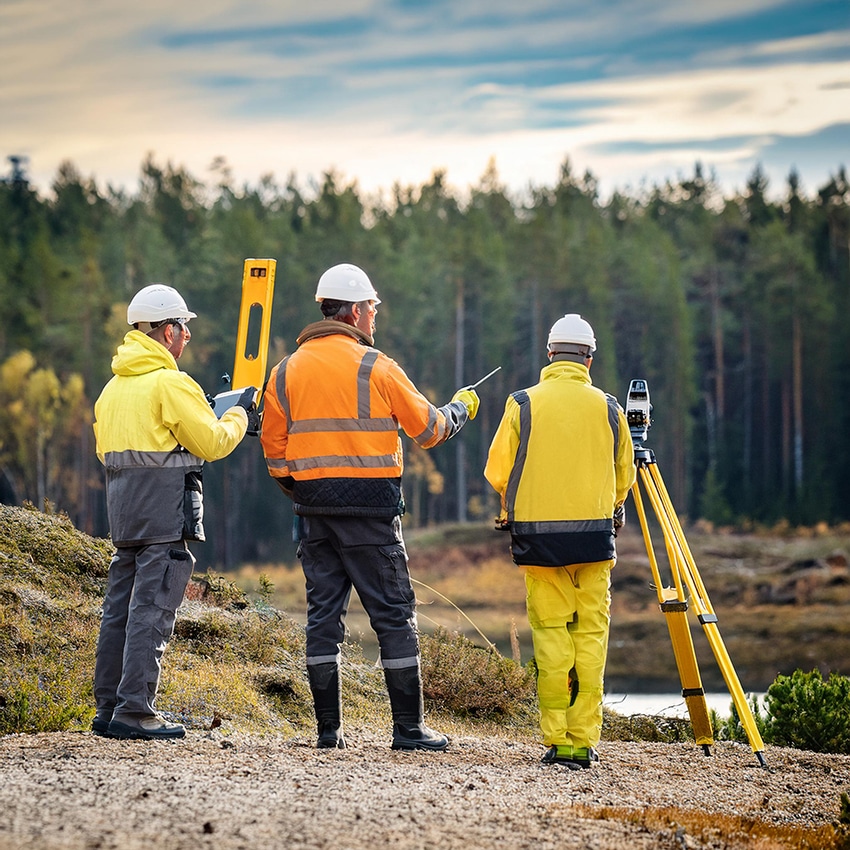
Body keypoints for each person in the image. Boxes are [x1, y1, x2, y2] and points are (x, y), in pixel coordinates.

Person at [260, 263, 479, 751]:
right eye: (373, 308)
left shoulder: (284, 372)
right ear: (355, 311)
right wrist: (462, 408)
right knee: (394, 617)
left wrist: (303, 490)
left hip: (313, 514)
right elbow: (430, 430)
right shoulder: (376, 366)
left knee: (323, 620)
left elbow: (274, 453)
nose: (375, 317)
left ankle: (328, 733)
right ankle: (408, 729)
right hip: (372, 515)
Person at [92, 284, 258, 741]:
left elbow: (109, 450)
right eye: (184, 327)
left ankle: (108, 708)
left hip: (124, 519)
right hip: (165, 518)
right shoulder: (170, 383)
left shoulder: (111, 391)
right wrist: (239, 414)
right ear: (167, 332)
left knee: (119, 612)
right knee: (153, 609)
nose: (187, 337)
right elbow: (213, 442)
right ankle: (137, 711)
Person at [484, 314, 635, 769]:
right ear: (589, 358)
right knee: (590, 637)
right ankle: (582, 742)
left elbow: (497, 471)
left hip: (538, 543)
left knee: (551, 639)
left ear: (550, 354)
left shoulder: (522, 404)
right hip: (594, 541)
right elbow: (625, 476)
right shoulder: (610, 408)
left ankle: (556, 740)